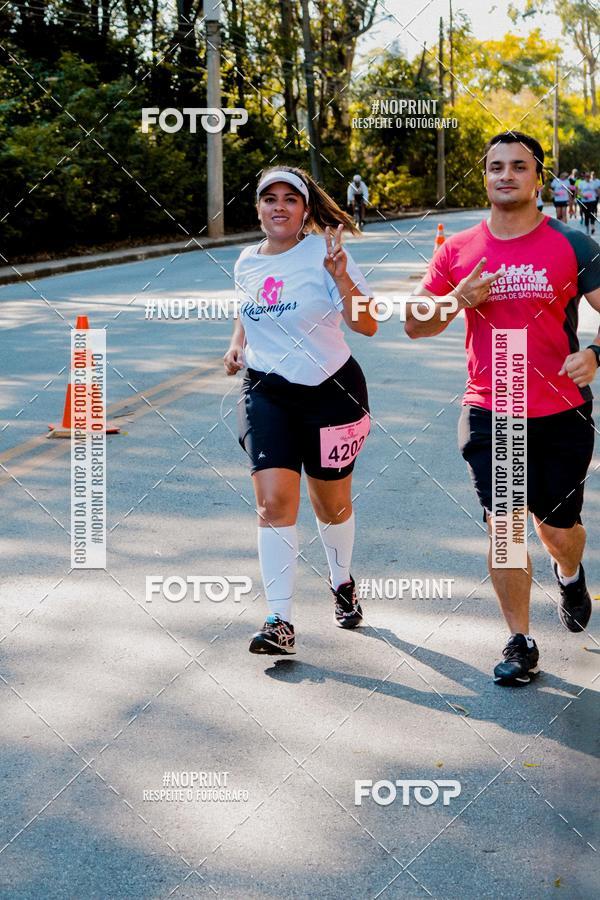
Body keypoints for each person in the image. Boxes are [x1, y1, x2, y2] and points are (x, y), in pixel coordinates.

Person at [405, 130, 600, 686]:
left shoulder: (573, 245)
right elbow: (415, 324)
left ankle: (569, 572)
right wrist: (455, 300)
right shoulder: (457, 250)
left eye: (519, 166)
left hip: (561, 410)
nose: (507, 175)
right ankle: (520, 640)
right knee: (506, 529)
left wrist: (595, 353)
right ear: (485, 176)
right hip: (494, 407)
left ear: (540, 177)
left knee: (558, 528)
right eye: (496, 167)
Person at [224, 165, 378, 656]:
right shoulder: (247, 261)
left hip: (332, 389)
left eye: (291, 199)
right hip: (267, 390)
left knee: (330, 504)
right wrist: (235, 345)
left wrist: (340, 277)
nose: (279, 206)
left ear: (305, 210)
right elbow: (247, 311)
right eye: (270, 198)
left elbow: (368, 326)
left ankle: (341, 581)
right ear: (258, 208)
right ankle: (280, 619)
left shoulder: (326, 254)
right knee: (273, 502)